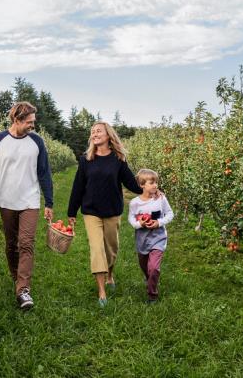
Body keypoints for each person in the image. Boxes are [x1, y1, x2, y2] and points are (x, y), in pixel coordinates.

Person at [0, 101, 54, 310]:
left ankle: (23, 290)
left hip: (30, 200)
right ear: (17, 120)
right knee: (11, 244)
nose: (32, 126)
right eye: (29, 122)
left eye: (33, 122)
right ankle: (16, 277)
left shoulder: (37, 142)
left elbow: (44, 173)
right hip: (6, 200)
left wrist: (49, 202)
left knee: (26, 242)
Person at [67, 121, 143, 307]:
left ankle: (110, 274)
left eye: (98, 131)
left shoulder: (118, 159)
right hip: (91, 210)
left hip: (112, 210)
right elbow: (78, 186)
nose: (95, 133)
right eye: (92, 131)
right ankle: (101, 291)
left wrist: (150, 190)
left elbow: (130, 184)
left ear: (109, 135)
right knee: (97, 248)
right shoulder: (86, 159)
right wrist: (72, 211)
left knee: (111, 248)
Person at [128, 169, 174, 303]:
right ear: (142, 185)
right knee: (145, 267)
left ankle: (152, 294)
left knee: (153, 267)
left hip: (158, 238)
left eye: (156, 182)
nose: (155, 185)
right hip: (142, 240)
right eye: (151, 183)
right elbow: (131, 218)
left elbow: (170, 214)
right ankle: (149, 279)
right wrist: (139, 224)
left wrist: (159, 222)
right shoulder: (135, 203)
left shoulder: (161, 199)